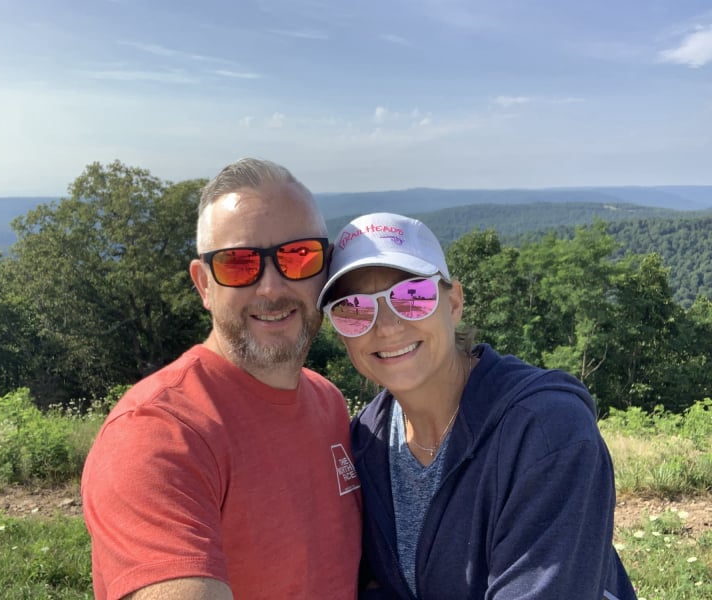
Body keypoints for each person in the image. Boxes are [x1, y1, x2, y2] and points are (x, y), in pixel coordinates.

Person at [317, 212, 637, 599]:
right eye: (353, 309)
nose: (386, 326)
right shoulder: (365, 444)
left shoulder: (546, 431)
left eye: (412, 297)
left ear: (454, 303)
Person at [81, 158, 362, 600]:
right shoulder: (158, 432)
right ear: (204, 285)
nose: (271, 288)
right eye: (238, 264)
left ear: (325, 271)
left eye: (298, 256)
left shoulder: (328, 403)